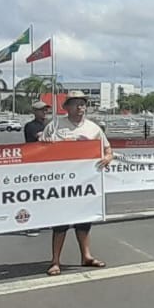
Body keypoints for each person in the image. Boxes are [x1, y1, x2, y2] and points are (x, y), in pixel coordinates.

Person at [40, 94, 112, 275]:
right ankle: (55, 261)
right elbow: (39, 149)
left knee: (84, 221)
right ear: (67, 107)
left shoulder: (93, 128)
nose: (80, 108)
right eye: (76, 105)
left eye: (83, 104)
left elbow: (108, 149)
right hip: (61, 182)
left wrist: (108, 158)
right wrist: (45, 142)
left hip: (85, 182)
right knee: (60, 223)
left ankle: (86, 256)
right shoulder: (55, 125)